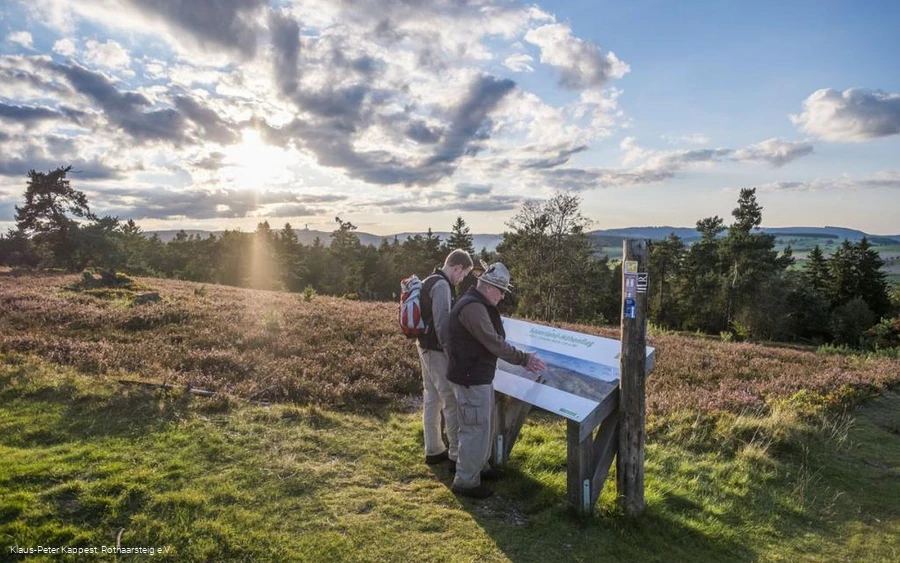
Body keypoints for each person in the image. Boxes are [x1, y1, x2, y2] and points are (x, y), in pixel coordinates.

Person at [446, 263, 546, 499]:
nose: (502, 296)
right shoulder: (474, 308)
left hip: (474, 375)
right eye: (501, 291)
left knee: (482, 425)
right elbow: (493, 342)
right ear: (489, 287)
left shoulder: (475, 303)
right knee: (474, 428)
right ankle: (466, 482)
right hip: (471, 378)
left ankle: (480, 468)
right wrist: (524, 359)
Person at [418, 249, 474, 468]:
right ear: (457, 267)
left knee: (431, 397)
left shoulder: (429, 279)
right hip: (435, 350)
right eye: (463, 274)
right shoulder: (441, 285)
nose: (461, 279)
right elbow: (442, 323)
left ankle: (433, 449)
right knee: (449, 399)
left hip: (424, 346)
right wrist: (450, 351)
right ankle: (454, 454)